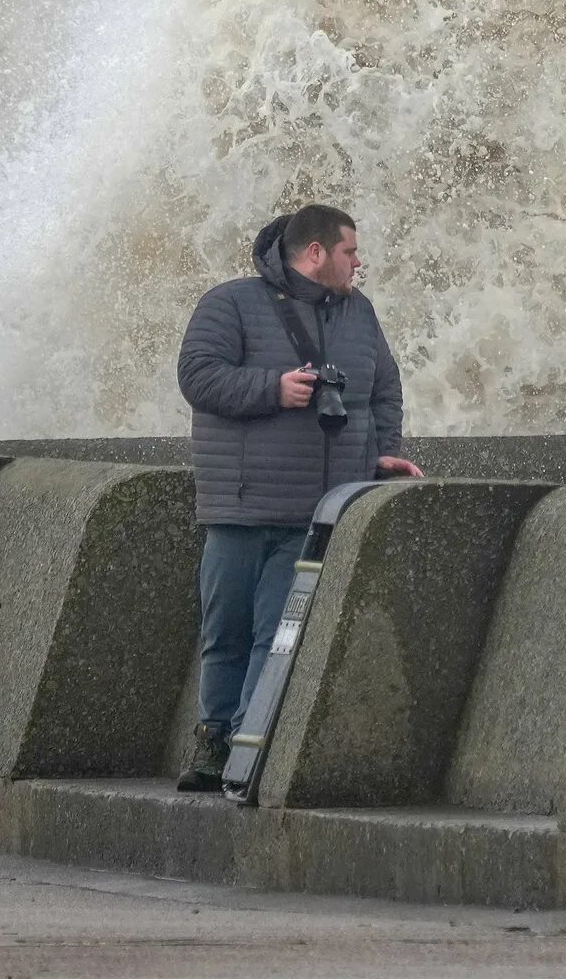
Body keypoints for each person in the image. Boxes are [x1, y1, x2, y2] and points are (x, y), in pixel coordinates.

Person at [173, 202, 422, 791]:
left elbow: (384, 390)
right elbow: (197, 376)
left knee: (275, 634)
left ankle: (245, 747)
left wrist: (382, 450)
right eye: (349, 252)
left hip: (316, 507)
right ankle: (213, 741)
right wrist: (273, 388)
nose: (358, 262)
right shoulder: (229, 303)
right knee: (226, 629)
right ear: (316, 253)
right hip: (240, 502)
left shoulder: (360, 314)